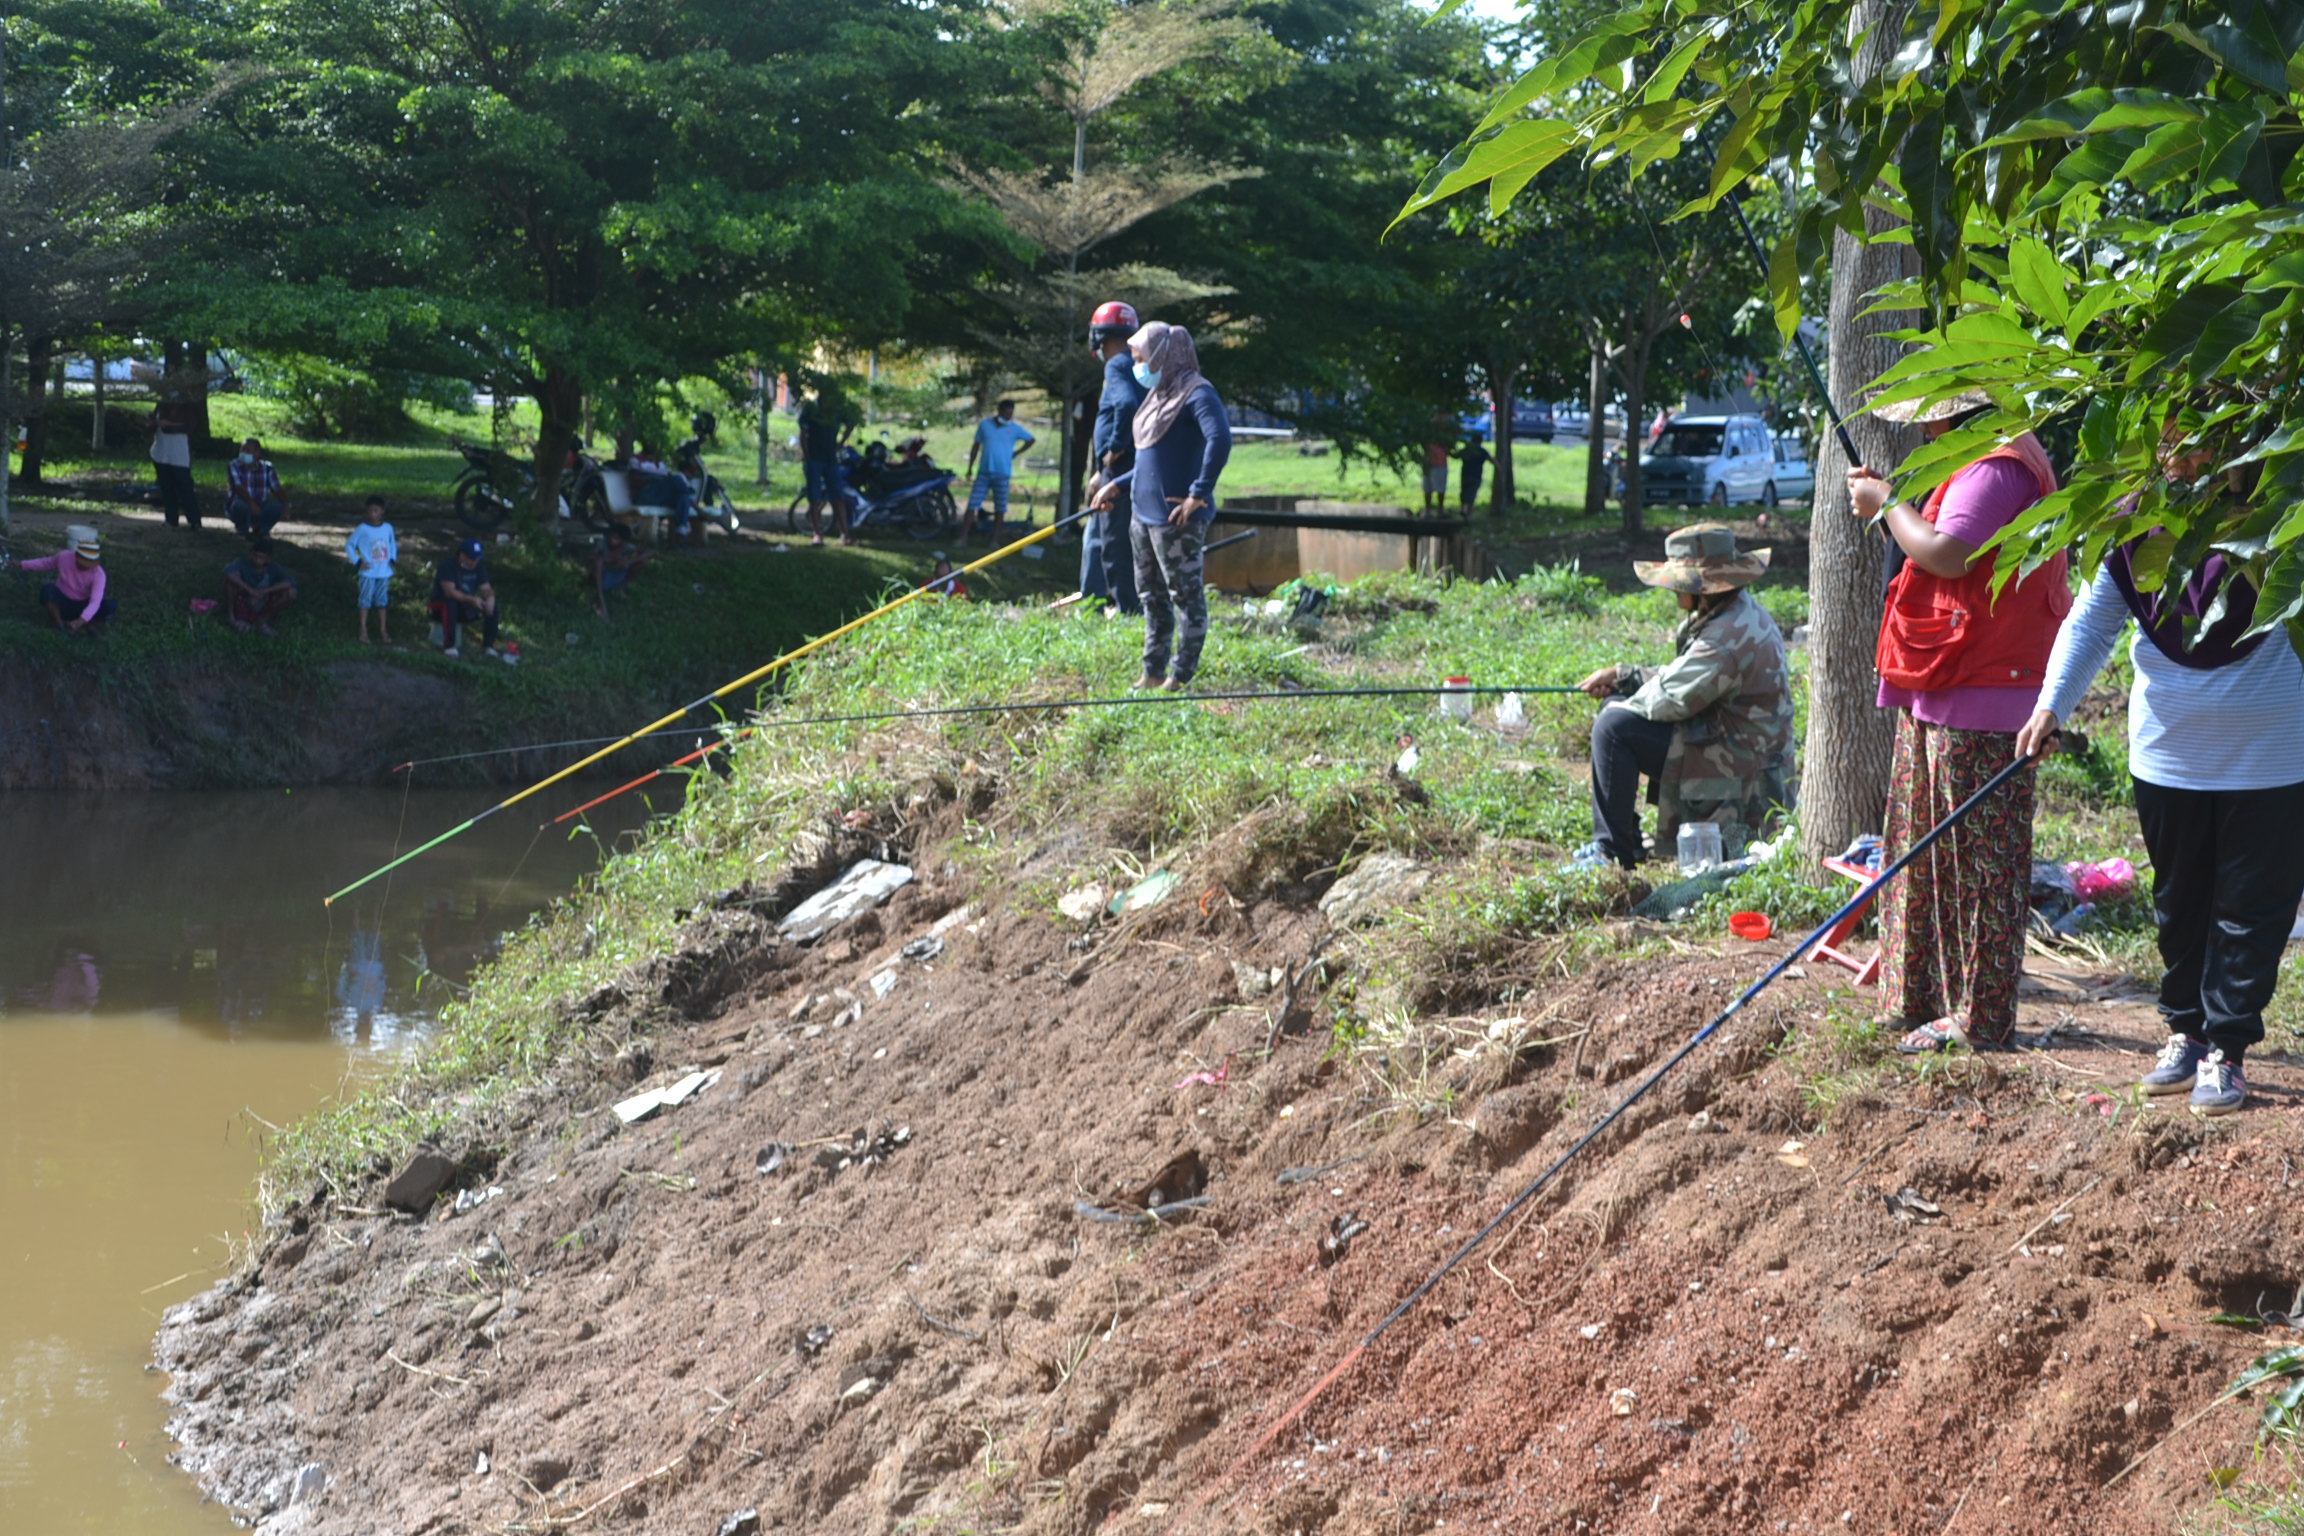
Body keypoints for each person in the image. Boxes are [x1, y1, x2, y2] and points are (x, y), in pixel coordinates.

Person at [2014, 413, 2304, 1115]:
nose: (2181, 455)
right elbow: (2091, 620)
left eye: (2199, 437)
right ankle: (2185, 1032)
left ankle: (2227, 1051)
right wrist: (2052, 705)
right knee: (2181, 907)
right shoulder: (2133, 525)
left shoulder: (2280, 518)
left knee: (2251, 911)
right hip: (2168, 756)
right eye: (2168, 440)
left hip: (2270, 755)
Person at [1848, 389, 2066, 1055]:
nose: (1927, 433)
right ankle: (1916, 1000)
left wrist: (1887, 506)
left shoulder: (1998, 468)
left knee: (1980, 870)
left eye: (1932, 420)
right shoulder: (1976, 462)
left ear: (1955, 416)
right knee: (1922, 854)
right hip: (1944, 682)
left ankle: (1978, 1018)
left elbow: (1948, 553)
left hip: (1987, 694)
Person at [1572, 524, 1793, 868]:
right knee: (1614, 710)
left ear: (1701, 585)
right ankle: (1623, 841)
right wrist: (1624, 677)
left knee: (1613, 727)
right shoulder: (1731, 614)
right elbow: (1686, 676)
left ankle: (1612, 852)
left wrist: (1622, 702)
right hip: (1731, 745)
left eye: (1678, 581)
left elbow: (1670, 699)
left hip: (1741, 772)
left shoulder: (1727, 634)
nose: (1672, 589)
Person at [1093, 321, 1229, 690]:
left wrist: (1198, 493)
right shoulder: (1158, 397)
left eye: (1139, 358)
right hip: (1142, 515)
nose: (1136, 365)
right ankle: (1152, 673)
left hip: (1176, 519)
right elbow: (1148, 461)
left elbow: (1219, 439)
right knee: (1151, 597)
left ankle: (1180, 676)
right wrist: (1116, 487)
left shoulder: (1197, 393)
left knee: (1185, 598)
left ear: (1161, 356)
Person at [1082, 300, 1144, 614]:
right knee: (1124, 538)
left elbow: (1127, 405)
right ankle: (1113, 604)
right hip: (1132, 467)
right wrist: (1097, 469)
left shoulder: (1116, 365)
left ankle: (1127, 610)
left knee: (1114, 542)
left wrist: (1117, 445)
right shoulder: (1140, 366)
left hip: (1121, 465)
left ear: (1100, 335)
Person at [962, 400, 1036, 545]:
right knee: (973, 504)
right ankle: (963, 537)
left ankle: (995, 540)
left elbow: (1031, 439)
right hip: (984, 472)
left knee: (1000, 507)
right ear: (999, 410)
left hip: (1002, 473)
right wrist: (970, 467)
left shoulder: (1014, 428)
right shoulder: (985, 425)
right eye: (1006, 412)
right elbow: (976, 446)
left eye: (1011, 413)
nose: (1008, 416)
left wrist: (1016, 453)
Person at [20, 525, 114, 634]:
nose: (85, 567)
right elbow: (46, 563)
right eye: (82, 563)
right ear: (76, 557)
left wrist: (80, 620)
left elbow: (95, 601)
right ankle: (59, 624)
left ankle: (89, 626)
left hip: (83, 605)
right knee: (47, 590)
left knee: (109, 605)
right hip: (63, 600)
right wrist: (23, 564)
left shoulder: (99, 574)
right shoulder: (64, 557)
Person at [432, 539, 505, 659]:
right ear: (462, 555)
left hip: (466, 604)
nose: (474, 561)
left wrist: (490, 597)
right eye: (471, 558)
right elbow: (449, 592)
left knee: (493, 606)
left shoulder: (479, 568)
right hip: (440, 606)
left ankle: (488, 646)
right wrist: (472, 600)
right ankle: (449, 645)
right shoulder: (448, 566)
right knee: (450, 603)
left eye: (477, 558)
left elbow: (486, 588)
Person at [798, 391, 851, 547]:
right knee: (814, 498)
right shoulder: (811, 410)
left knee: (838, 497)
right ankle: (817, 534)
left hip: (830, 459)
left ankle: (845, 535)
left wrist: (841, 443)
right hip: (814, 458)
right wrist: (807, 455)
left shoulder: (836, 412)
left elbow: (851, 423)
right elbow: (803, 433)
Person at [344, 495, 398, 643]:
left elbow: (392, 544)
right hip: (368, 572)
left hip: (383, 571)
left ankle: (383, 630)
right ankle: (363, 630)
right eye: (370, 511)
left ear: (382, 511)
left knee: (382, 601)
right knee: (364, 600)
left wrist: (392, 559)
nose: (373, 514)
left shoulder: (388, 528)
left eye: (376, 510)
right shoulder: (362, 529)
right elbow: (349, 545)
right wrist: (357, 561)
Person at [222, 538, 299, 634]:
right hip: (244, 598)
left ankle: (262, 621)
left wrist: (265, 591)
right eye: (255, 556)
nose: (257, 560)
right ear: (251, 553)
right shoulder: (241, 562)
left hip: (263, 600)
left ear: (268, 558)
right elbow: (229, 573)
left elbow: (291, 581)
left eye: (261, 558)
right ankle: (232, 617)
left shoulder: (274, 568)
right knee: (230, 583)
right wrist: (250, 590)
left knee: (291, 592)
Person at [627, 439, 697, 539]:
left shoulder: (660, 463)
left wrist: (661, 481)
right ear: (644, 444)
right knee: (676, 479)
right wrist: (655, 479)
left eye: (655, 443)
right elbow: (634, 479)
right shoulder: (636, 459)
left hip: (660, 497)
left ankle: (681, 529)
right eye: (650, 443)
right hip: (645, 495)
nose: (653, 446)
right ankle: (695, 504)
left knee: (682, 496)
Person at [225, 436, 289, 539]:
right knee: (240, 506)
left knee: (276, 507)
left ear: (257, 453)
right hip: (242, 504)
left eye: (248, 450)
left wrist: (286, 505)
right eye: (242, 450)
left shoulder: (267, 467)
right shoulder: (234, 465)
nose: (244, 453)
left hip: (261, 505)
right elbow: (238, 487)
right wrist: (251, 503)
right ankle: (242, 529)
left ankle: (261, 530)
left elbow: (276, 488)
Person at [151, 398, 200, 529]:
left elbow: (190, 426)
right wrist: (156, 423)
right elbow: (152, 422)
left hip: (180, 452)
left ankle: (194, 520)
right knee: (166, 487)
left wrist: (170, 425)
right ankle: (171, 518)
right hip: (161, 451)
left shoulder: (187, 406)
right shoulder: (161, 404)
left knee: (185, 486)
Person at [589, 521, 651, 618]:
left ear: (623, 540)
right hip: (602, 576)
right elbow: (591, 556)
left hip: (617, 574)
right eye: (612, 536)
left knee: (642, 563)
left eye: (617, 538)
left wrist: (630, 562)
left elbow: (648, 552)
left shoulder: (626, 547)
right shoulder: (603, 544)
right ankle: (600, 601)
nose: (613, 540)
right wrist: (609, 560)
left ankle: (620, 587)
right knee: (598, 563)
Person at [1459, 431, 1493, 515]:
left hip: (1465, 475)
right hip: (1476, 476)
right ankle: (1468, 512)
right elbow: (1491, 459)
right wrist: (1500, 468)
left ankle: (1464, 509)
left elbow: (1455, 455)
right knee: (1472, 494)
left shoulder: (1467, 450)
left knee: (1464, 493)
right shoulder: (1482, 451)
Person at [1422, 433, 1450, 514]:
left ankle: (1439, 510)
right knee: (1428, 488)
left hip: (1439, 463)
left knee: (1439, 489)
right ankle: (1429, 510)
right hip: (1429, 463)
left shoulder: (1445, 430)